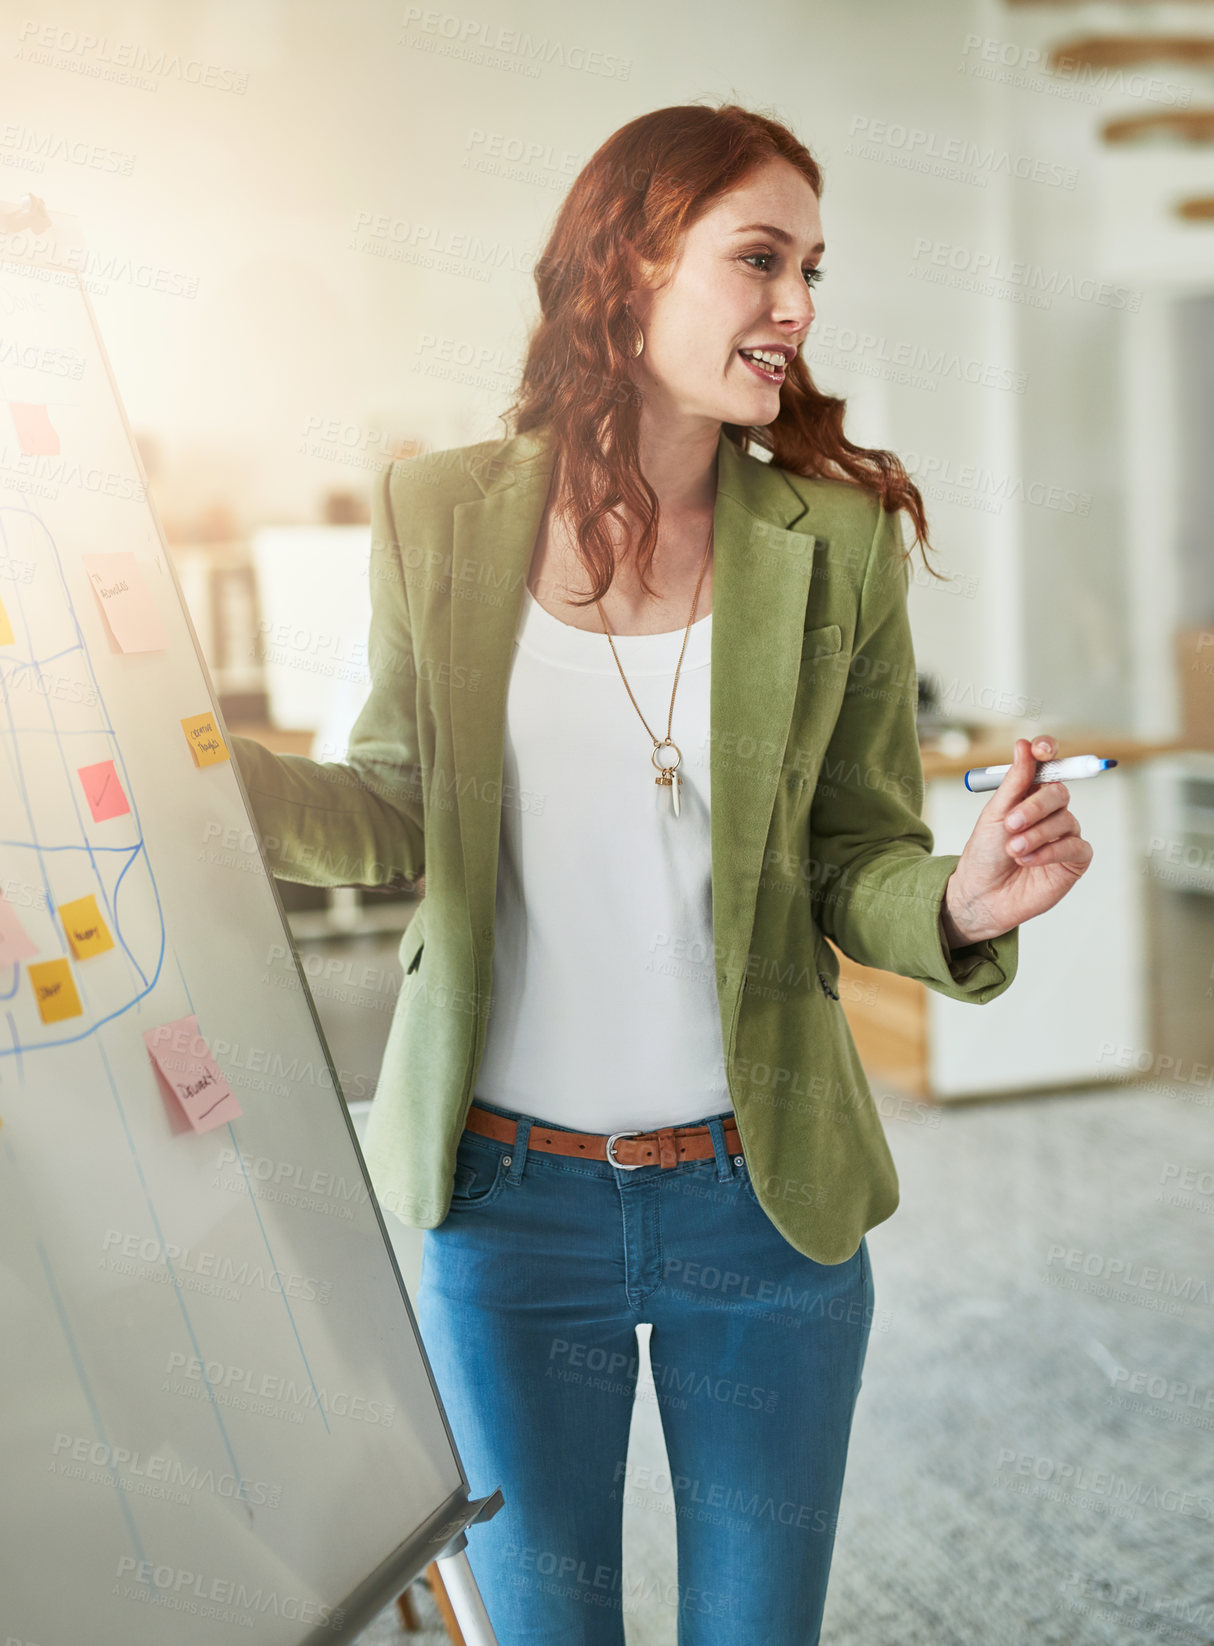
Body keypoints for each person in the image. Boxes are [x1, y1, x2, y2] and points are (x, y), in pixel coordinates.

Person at [233, 102, 1092, 1646]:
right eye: (757, 259)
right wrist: (190, 763)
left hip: (754, 1204)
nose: (798, 308)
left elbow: (856, 855)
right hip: (500, 1204)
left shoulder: (831, 538)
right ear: (625, 269)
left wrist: (958, 902)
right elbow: (386, 813)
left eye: (811, 268)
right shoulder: (441, 513)